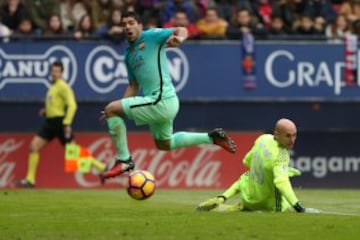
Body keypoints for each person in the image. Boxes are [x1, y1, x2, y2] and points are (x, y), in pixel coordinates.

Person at [100, 11, 236, 183]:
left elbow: (181, 29)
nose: (127, 26)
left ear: (140, 26)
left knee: (111, 109)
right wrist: (118, 108)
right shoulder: (128, 55)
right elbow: (133, 86)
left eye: (131, 22)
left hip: (161, 100)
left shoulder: (151, 37)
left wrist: (180, 39)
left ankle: (124, 160)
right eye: (124, 24)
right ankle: (210, 137)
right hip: (162, 102)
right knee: (164, 144)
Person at [196, 118, 320, 213]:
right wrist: (299, 208)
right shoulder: (281, 155)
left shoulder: (262, 139)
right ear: (277, 134)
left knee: (247, 175)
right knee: (285, 202)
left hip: (249, 200)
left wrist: (279, 169)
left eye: (294, 135)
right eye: (288, 135)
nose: (292, 140)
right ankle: (296, 208)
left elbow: (246, 160)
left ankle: (221, 199)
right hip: (270, 206)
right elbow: (281, 183)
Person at [17, 60, 106, 188]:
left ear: (62, 73)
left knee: (73, 154)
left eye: (57, 71)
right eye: (53, 71)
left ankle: (101, 167)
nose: (54, 73)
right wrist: (47, 111)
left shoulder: (63, 86)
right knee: (33, 147)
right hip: (50, 122)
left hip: (60, 123)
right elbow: (56, 105)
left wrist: (67, 123)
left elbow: (72, 105)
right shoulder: (53, 86)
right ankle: (30, 180)